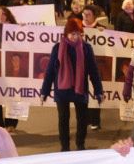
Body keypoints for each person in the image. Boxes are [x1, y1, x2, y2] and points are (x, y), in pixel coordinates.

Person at [40, 15, 104, 151]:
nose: (75, 37)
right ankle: (65, 147)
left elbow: (93, 71)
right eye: (72, 34)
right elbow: (50, 71)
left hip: (80, 88)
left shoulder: (86, 48)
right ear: (66, 34)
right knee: (63, 119)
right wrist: (44, 91)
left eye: (78, 34)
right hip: (62, 89)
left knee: (82, 119)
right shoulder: (58, 48)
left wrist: (99, 91)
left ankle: (80, 144)